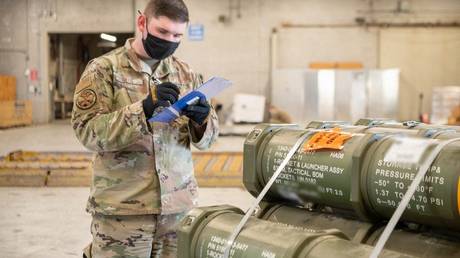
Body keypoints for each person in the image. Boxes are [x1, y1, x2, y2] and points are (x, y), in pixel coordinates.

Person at [71, 0, 219, 257]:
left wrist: (203, 120)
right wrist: (144, 110)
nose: (170, 41)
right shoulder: (104, 70)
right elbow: (87, 131)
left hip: (177, 210)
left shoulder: (185, 73)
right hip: (124, 212)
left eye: (177, 35)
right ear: (142, 23)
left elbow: (207, 141)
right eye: (162, 32)